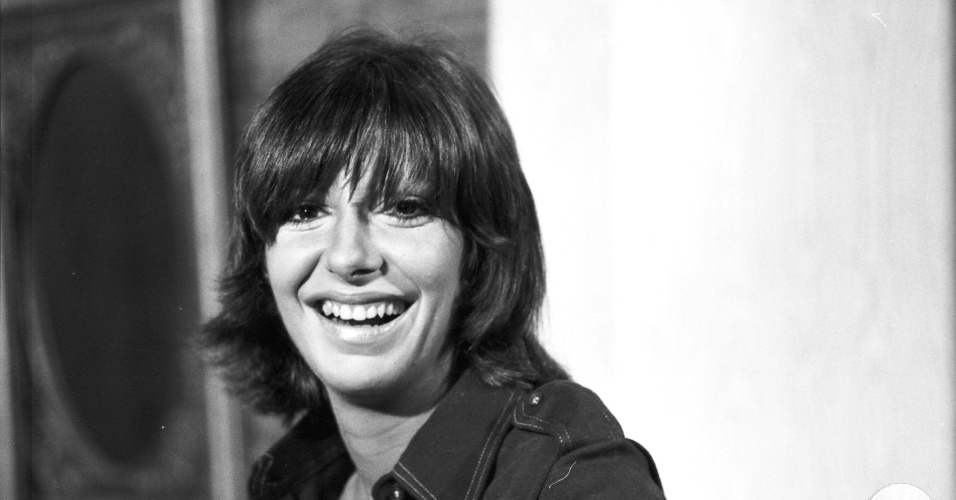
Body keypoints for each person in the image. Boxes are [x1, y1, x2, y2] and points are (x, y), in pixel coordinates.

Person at [202, 27, 665, 500]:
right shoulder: (290, 482)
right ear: (262, 261)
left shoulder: (572, 477)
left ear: (479, 250)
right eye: (305, 212)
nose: (347, 257)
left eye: (404, 208)